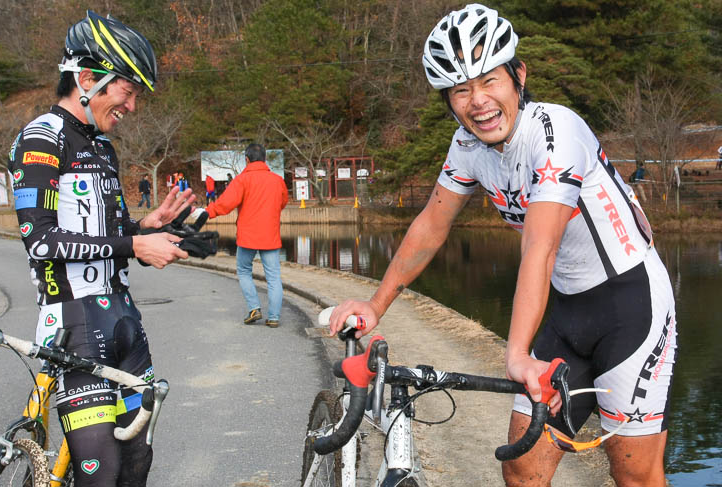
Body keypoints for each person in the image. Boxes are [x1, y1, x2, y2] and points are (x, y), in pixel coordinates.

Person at [328, 4, 676, 486]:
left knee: (634, 474)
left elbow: (540, 246)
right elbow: (431, 225)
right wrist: (376, 303)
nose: (478, 101)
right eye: (460, 89)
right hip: (569, 310)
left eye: (490, 81)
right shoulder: (467, 147)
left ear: (519, 77)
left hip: (633, 305)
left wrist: (515, 354)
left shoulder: (556, 132)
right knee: (521, 466)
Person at [8, 11, 195, 487]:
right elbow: (42, 241)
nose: (132, 106)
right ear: (87, 79)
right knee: (102, 475)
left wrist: (142, 225)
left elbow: (100, 234)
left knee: (136, 468)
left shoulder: (101, 146)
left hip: (124, 324)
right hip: (74, 326)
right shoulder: (41, 139)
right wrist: (134, 242)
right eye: (127, 91)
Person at [204, 143, 288, 327]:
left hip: (248, 236)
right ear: (265, 158)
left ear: (247, 159)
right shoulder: (277, 180)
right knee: (273, 277)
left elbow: (225, 204)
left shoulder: (242, 180)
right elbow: (282, 202)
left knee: (243, 271)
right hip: (270, 234)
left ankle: (254, 308)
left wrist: (207, 213)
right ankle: (273, 317)